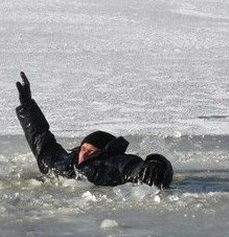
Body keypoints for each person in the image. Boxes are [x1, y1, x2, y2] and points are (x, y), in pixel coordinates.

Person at [15, 72, 173, 188]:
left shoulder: (116, 163)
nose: (84, 154)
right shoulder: (65, 162)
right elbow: (43, 142)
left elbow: (138, 168)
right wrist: (28, 106)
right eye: (84, 149)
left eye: (91, 151)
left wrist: (156, 163)